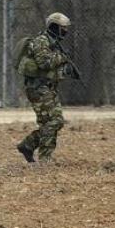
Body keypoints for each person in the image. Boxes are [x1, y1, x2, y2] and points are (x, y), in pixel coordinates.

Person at [16, 12, 77, 163]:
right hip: (38, 88)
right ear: (54, 27)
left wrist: (65, 70)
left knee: (53, 122)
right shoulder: (41, 41)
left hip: (48, 87)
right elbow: (44, 63)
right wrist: (63, 57)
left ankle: (28, 145)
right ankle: (44, 157)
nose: (65, 31)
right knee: (53, 121)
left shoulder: (53, 42)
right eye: (63, 28)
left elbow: (49, 69)